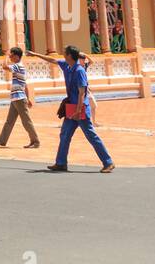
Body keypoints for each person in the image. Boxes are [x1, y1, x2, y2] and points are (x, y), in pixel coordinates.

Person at [27, 44, 114, 173]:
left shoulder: (79, 70)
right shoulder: (67, 66)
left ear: (69, 55)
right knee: (65, 134)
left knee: (91, 135)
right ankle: (61, 162)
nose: (62, 54)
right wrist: (35, 54)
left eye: (64, 52)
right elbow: (52, 60)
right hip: (71, 108)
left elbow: (82, 92)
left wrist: (78, 111)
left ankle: (108, 162)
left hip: (80, 108)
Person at [0, 46, 40, 149]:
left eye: (12, 55)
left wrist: (5, 56)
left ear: (17, 56)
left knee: (26, 121)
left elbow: (4, 67)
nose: (11, 57)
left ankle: (35, 141)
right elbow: (24, 84)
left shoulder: (18, 66)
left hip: (19, 98)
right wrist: (28, 98)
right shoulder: (19, 67)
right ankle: (2, 140)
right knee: (10, 121)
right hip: (16, 98)